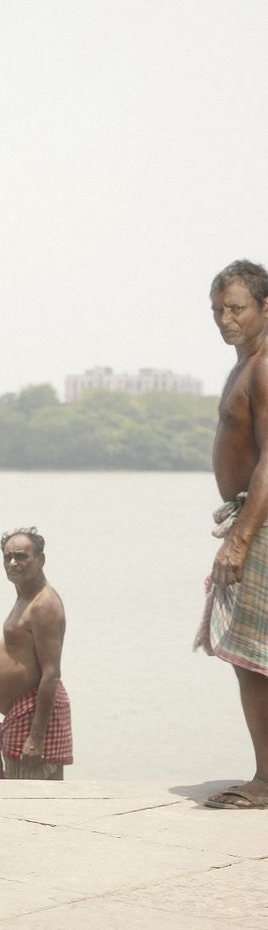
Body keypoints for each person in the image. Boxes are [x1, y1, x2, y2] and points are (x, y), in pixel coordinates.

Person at [194, 259, 268, 809]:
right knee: (251, 657)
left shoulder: (264, 367)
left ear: (266, 308)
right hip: (250, 516)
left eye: (237, 308)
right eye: (218, 309)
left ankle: (265, 780)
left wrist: (240, 539)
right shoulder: (244, 364)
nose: (225, 318)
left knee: (256, 656)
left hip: (260, 524)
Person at [0, 528, 73, 780]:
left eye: (21, 556)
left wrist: (36, 737)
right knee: (16, 797)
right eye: (7, 557)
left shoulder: (44, 604)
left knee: (31, 804)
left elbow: (51, 673)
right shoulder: (26, 597)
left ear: (40, 560)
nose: (12, 562)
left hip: (36, 716)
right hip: (22, 712)